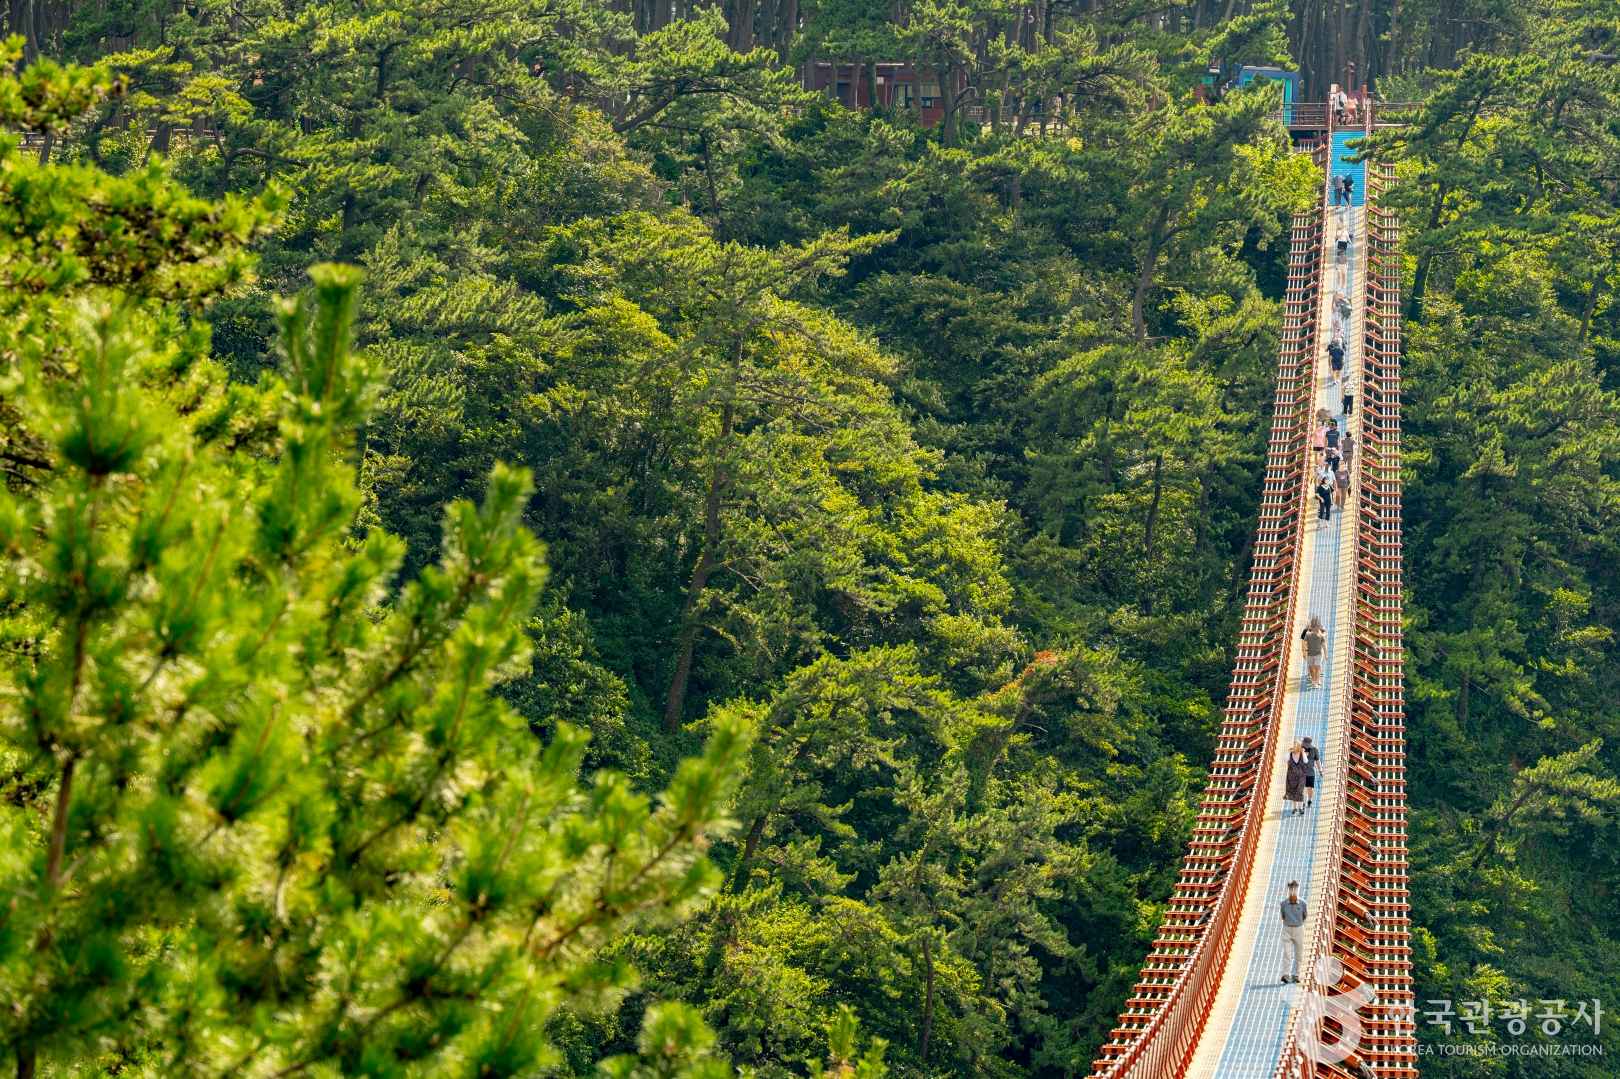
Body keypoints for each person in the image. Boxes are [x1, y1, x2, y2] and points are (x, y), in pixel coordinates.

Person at [1280, 882, 1307, 983]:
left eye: (1295, 889)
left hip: (1299, 929)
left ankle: (1296, 974)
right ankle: (1286, 974)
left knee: (1299, 953)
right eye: (1291, 889)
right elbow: (1283, 916)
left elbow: (1304, 916)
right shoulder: (1283, 904)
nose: (1293, 891)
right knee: (1287, 953)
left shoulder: (1303, 904)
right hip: (1287, 929)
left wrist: (1298, 922)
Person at [1302, 614, 1326, 688]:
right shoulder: (1305, 631)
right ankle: (1312, 677)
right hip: (1309, 650)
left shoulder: (1319, 628)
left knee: (1317, 664)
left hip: (1318, 650)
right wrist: (1304, 651)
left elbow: (1324, 633)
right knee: (1311, 665)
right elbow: (1303, 642)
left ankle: (1316, 680)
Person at [1285, 744, 1309, 818]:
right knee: (1293, 792)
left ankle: (1301, 808)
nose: (1295, 748)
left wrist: (1303, 753)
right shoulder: (1290, 754)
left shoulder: (1302, 754)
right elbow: (1285, 759)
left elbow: (1306, 761)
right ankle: (1295, 808)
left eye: (1296, 747)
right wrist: (1288, 752)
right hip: (1291, 776)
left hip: (1301, 776)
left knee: (1300, 791)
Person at [1302, 736, 1322, 806]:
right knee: (1302, 788)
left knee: (1310, 788)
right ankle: (1303, 802)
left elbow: (1317, 760)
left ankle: (1309, 800)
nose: (1303, 744)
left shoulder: (1314, 750)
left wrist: (1320, 770)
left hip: (1310, 772)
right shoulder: (1300, 749)